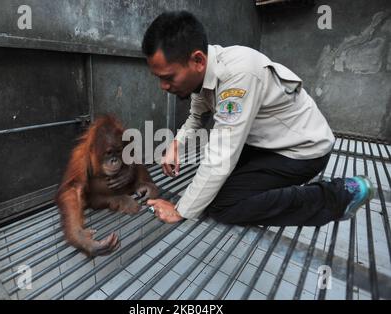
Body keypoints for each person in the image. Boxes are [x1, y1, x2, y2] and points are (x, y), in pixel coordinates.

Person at [144, 10, 374, 226]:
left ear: (198, 60)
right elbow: (196, 117)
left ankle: (341, 195)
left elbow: (221, 154)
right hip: (265, 143)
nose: (163, 87)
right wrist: (175, 145)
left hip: (302, 151)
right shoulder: (204, 75)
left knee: (224, 205)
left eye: (168, 77)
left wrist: (181, 210)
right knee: (211, 189)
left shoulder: (237, 76)